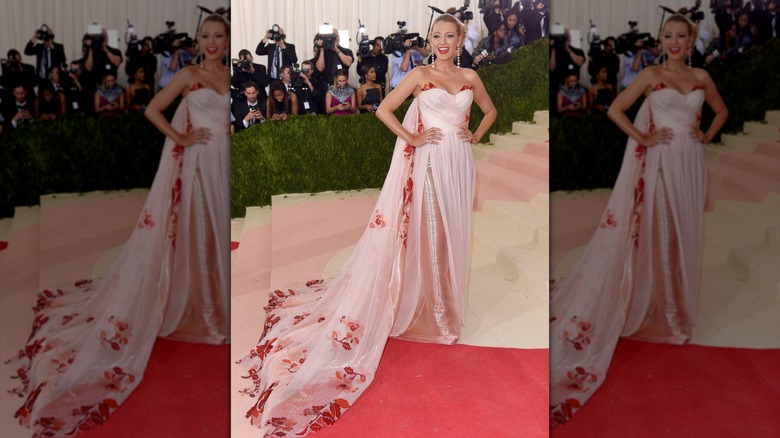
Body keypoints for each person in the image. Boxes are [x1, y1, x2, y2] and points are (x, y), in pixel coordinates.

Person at [237, 13, 496, 435]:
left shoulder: (470, 75)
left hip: (460, 165)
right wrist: (413, 139)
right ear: (430, 39)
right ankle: (436, 314)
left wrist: (474, 135)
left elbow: (490, 111)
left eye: (451, 35)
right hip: (429, 164)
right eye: (437, 35)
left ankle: (444, 303)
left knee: (451, 235)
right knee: (430, 233)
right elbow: (386, 111)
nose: (444, 41)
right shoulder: (419, 74)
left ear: (462, 37)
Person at [5, 14, 231, 436]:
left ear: (228, 39)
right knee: (200, 234)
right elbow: (152, 109)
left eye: (219, 36)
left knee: (222, 234)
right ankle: (201, 308)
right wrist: (181, 139)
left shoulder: (234, 76)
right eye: (206, 36)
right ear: (198, 40)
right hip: (199, 166)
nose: (212, 42)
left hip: (225, 165)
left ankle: (220, 301)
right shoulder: (188, 73)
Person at [549, 14, 727, 427]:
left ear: (692, 38)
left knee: (686, 234)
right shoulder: (650, 74)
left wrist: (707, 134)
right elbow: (614, 109)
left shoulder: (702, 75)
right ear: (661, 40)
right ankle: (662, 311)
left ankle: (677, 307)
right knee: (662, 232)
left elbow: (720, 111)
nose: (675, 41)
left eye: (682, 35)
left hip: (691, 163)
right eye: (669, 36)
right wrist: (644, 138)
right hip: (661, 164)